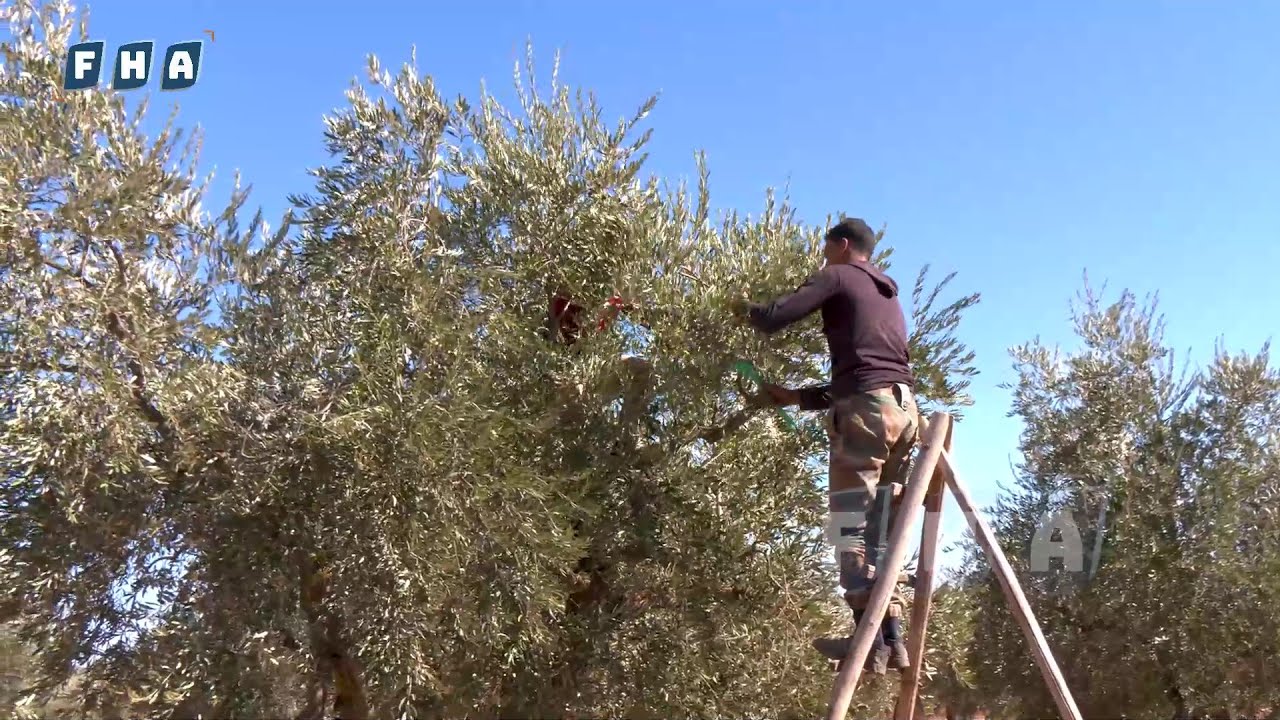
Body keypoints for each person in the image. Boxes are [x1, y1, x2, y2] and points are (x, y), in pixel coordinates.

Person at [731, 217, 921, 675]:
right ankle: (890, 642)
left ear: (841, 245)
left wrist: (734, 306)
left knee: (849, 526)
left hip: (869, 411)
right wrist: (797, 397)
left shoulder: (839, 274)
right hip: (904, 411)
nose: (822, 255)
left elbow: (773, 319)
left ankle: (868, 641)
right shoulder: (886, 291)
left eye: (825, 247)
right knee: (875, 531)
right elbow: (869, 371)